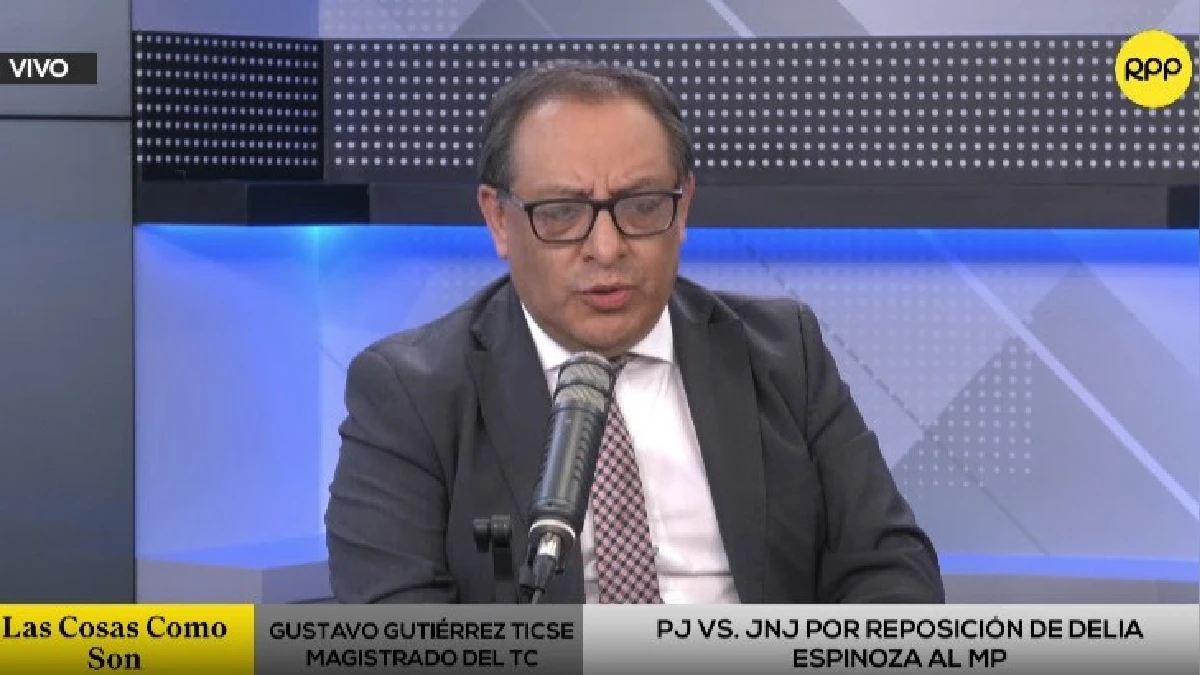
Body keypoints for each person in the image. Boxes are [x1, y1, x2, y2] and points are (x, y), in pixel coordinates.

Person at [324, 61, 944, 604]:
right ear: (499, 219)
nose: (606, 248)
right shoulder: (411, 395)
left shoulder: (784, 354)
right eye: (562, 213)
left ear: (684, 205)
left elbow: (890, 570)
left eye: (643, 205)